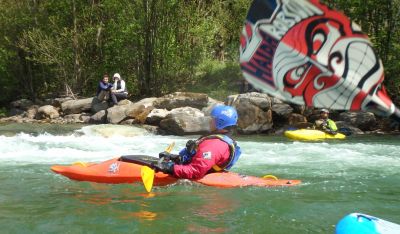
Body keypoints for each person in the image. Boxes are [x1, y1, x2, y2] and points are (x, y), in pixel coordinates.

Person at [156, 105, 242, 179]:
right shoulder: (218, 140)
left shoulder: (215, 145)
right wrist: (173, 157)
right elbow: (196, 158)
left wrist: (169, 168)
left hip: (195, 174)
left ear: (220, 122)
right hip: (191, 167)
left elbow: (196, 171)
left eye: (213, 119)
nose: (209, 121)